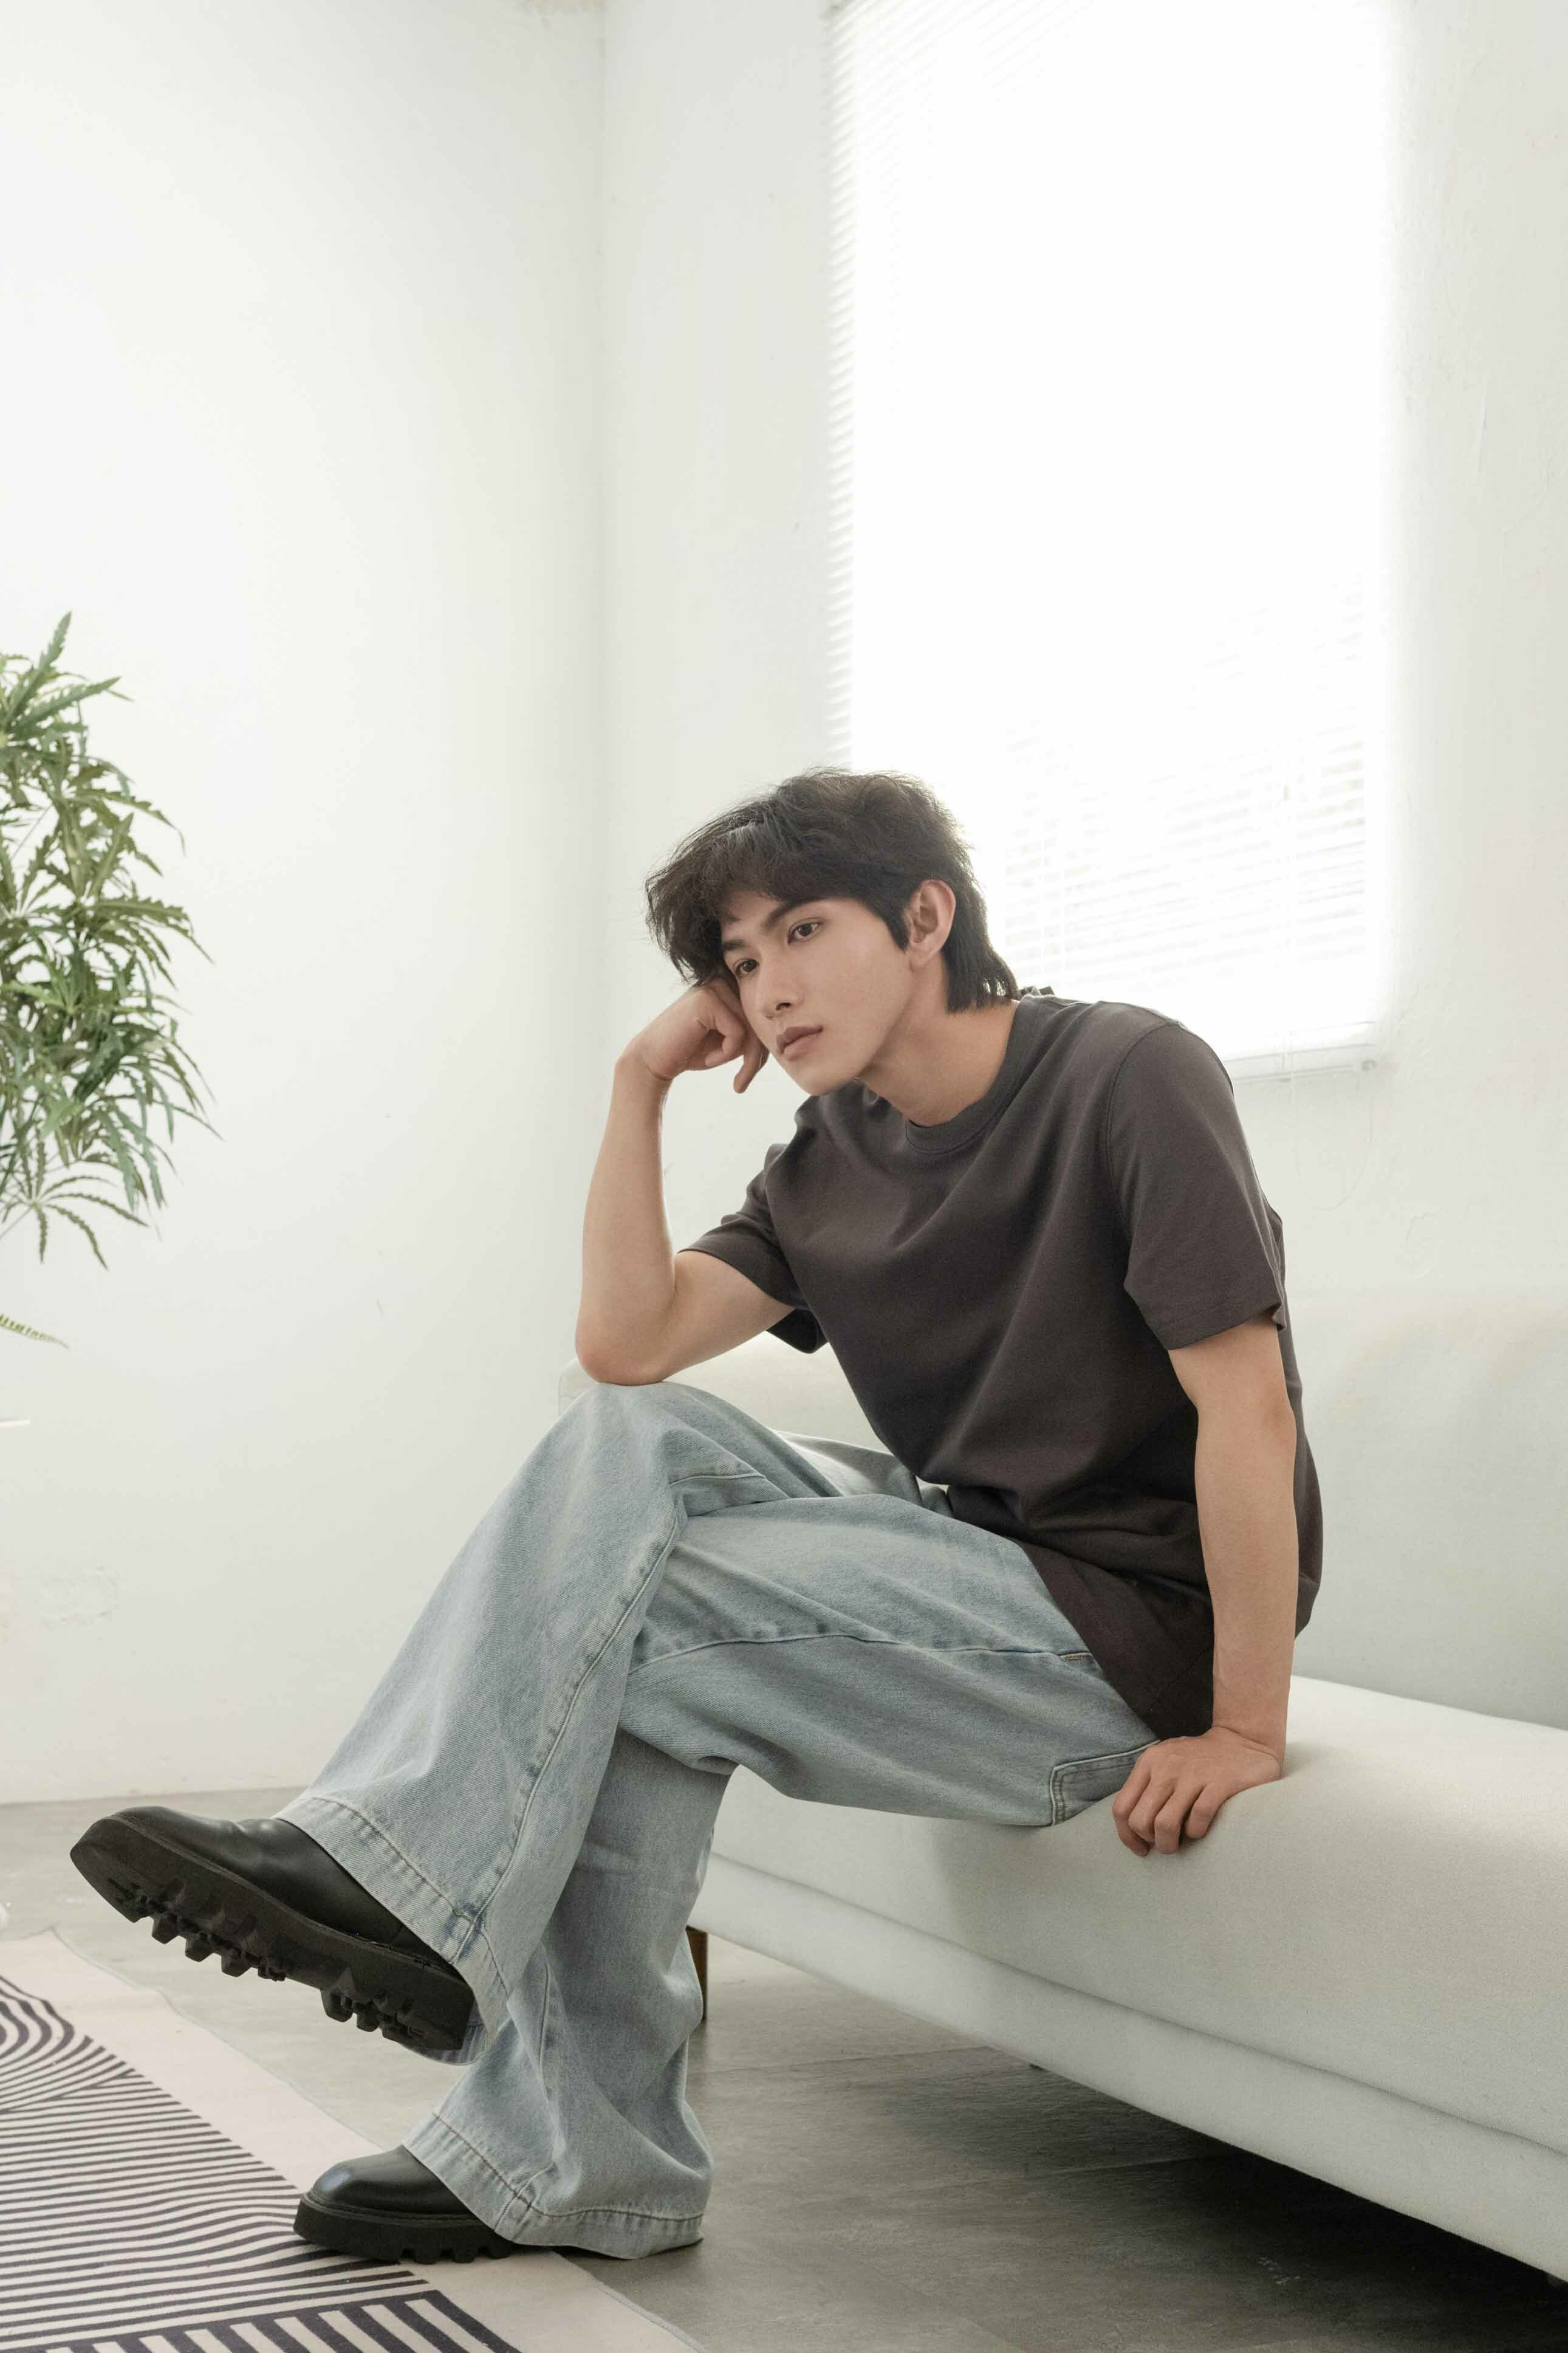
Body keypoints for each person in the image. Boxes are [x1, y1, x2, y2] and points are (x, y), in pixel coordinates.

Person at [70, 764, 1321, 2267]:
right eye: (738, 958)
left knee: (626, 1622)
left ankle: (458, 1978)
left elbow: (1247, 1411)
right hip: (970, 1569)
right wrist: (637, 1080)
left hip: (1117, 1638)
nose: (768, 988)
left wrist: (1242, 1726)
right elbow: (628, 1343)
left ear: (926, 918)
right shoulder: (830, 1154)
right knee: (628, 1446)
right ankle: (482, 2013)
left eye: (802, 931)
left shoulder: (1127, 1074)